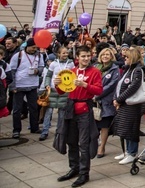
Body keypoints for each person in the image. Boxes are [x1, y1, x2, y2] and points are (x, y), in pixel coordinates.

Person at [54, 46, 103, 188]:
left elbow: (99, 90)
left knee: (84, 143)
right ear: (78, 58)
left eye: (88, 56)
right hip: (70, 109)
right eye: (83, 56)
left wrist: (85, 85)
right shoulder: (71, 71)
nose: (86, 58)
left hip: (84, 110)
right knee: (71, 141)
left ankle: (84, 173)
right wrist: (57, 85)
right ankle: (74, 168)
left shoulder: (95, 72)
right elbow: (64, 90)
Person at [114, 47, 145, 164]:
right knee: (125, 128)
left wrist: (119, 99)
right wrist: (116, 99)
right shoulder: (127, 69)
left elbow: (132, 87)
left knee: (131, 128)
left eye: (127, 57)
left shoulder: (137, 70)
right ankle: (127, 151)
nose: (125, 59)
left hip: (133, 104)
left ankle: (132, 152)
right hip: (124, 104)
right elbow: (119, 85)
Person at [9, 37, 44, 138]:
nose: (35, 49)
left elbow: (41, 67)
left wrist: (38, 71)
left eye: (36, 48)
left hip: (33, 85)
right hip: (19, 85)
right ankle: (16, 130)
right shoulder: (18, 55)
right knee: (17, 109)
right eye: (33, 47)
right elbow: (12, 71)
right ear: (27, 46)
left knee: (33, 108)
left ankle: (34, 127)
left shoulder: (39, 55)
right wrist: (12, 86)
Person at [39, 45, 74, 141]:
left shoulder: (70, 63)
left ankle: (60, 131)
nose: (65, 54)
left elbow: (73, 75)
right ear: (58, 54)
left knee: (62, 113)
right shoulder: (53, 64)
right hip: (53, 90)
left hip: (64, 91)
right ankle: (45, 131)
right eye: (63, 53)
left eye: (66, 53)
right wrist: (47, 85)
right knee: (49, 112)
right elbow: (48, 76)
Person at [94, 47, 120, 157]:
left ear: (111, 56)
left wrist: (97, 94)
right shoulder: (96, 67)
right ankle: (94, 144)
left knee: (104, 126)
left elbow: (111, 85)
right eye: (103, 54)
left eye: (107, 54)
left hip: (106, 101)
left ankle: (102, 147)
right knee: (94, 125)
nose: (105, 56)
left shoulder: (115, 69)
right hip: (94, 101)